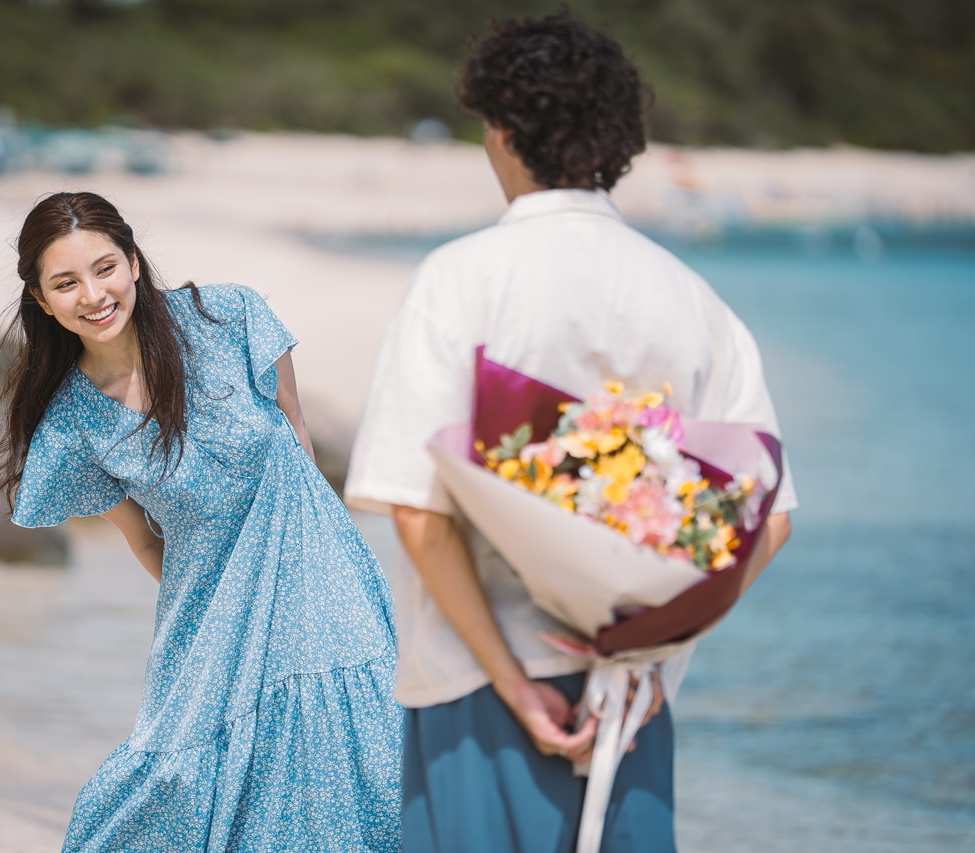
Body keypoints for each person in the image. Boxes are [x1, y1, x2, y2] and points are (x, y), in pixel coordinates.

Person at [345, 9, 797, 853]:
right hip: (628, 700)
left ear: (506, 130)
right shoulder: (693, 297)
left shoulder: (460, 278)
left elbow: (419, 512)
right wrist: (655, 655)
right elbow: (767, 519)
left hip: (477, 687)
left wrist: (515, 686)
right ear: (616, 139)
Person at [0, 192, 401, 852]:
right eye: (66, 282)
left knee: (363, 761)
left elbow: (296, 435)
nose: (93, 293)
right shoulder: (72, 424)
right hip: (209, 616)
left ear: (135, 263)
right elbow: (145, 539)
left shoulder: (229, 317)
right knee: (169, 784)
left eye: (105, 267)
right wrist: (217, 614)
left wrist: (306, 560)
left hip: (324, 584)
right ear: (40, 297)